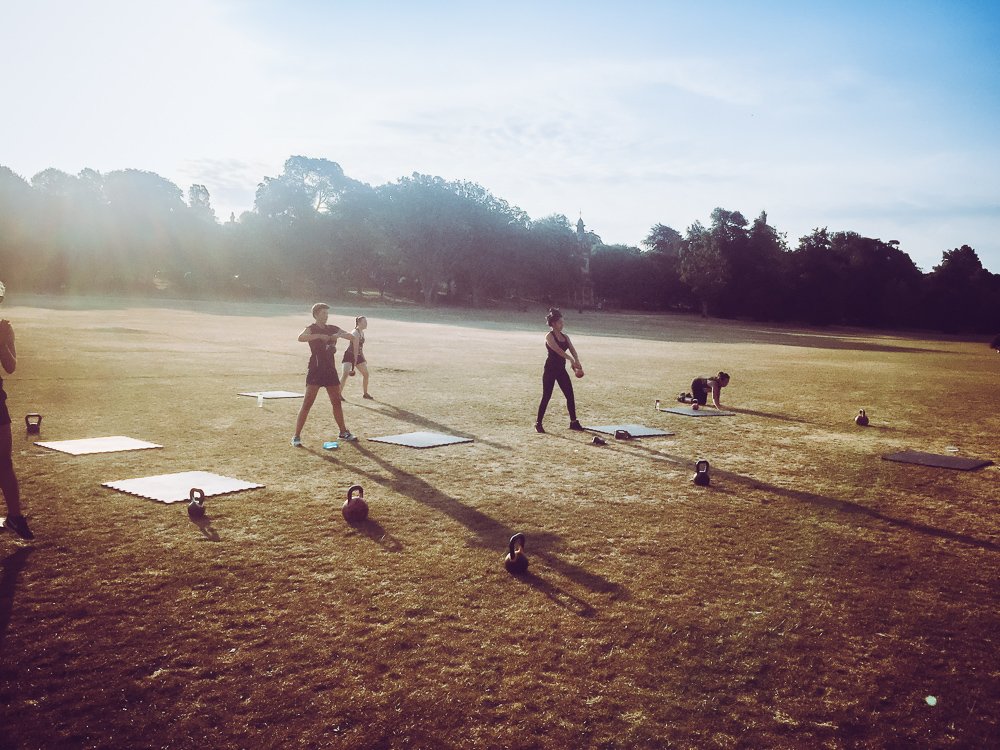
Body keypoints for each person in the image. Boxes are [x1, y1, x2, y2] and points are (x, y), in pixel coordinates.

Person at [291, 303, 358, 447]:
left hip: (330, 370)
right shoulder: (312, 328)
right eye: (323, 313)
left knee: (336, 402)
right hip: (315, 369)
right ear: (316, 315)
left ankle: (343, 432)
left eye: (327, 313)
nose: (326, 316)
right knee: (307, 403)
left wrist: (337, 335)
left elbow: (350, 337)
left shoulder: (332, 328)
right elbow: (301, 337)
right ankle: (296, 436)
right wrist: (320, 336)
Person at [0, 288, 33, 540]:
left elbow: (10, 367)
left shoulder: (4, 328)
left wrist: (2, 342)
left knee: (4, 460)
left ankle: (14, 516)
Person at [535, 308, 585, 433]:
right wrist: (570, 360)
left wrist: (577, 360)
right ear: (553, 324)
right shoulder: (549, 336)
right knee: (546, 396)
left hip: (561, 370)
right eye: (560, 323)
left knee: (570, 395)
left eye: (563, 322)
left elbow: (573, 350)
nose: (562, 325)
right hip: (550, 370)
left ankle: (573, 422)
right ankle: (538, 423)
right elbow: (557, 350)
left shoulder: (565, 337)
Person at [340, 316, 373, 400]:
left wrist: (363, 358)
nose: (366, 324)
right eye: (364, 322)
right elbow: (355, 348)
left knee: (366, 374)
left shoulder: (362, 332)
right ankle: (337, 395)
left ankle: (365, 394)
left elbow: (360, 348)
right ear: (359, 323)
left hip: (357, 355)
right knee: (345, 374)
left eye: (366, 322)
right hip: (349, 355)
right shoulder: (355, 333)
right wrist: (354, 362)